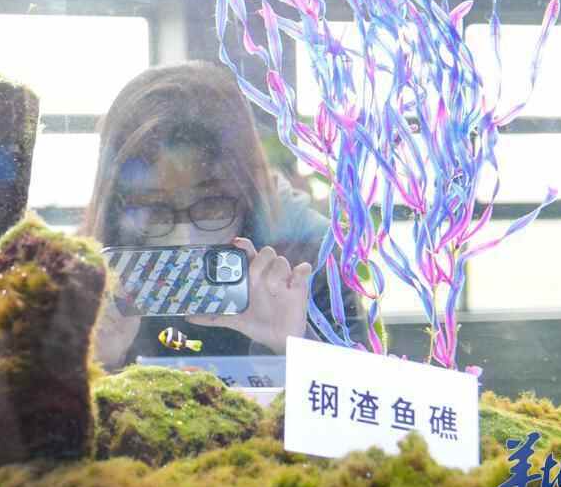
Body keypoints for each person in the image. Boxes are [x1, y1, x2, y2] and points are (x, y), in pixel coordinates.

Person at [82, 61, 364, 371]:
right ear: (117, 206)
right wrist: (96, 362)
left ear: (247, 195)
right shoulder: (84, 280)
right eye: (155, 211)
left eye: (211, 206)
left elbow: (361, 393)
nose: (185, 239)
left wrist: (292, 347)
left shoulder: (311, 260)